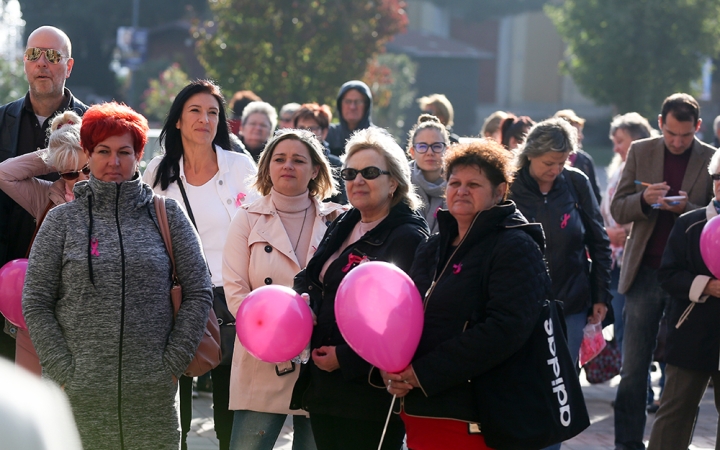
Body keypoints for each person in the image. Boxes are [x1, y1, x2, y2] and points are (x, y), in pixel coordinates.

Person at [22, 102, 213, 449]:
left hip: (152, 402)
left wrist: (170, 365)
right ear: (87, 153)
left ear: (139, 154)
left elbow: (199, 290)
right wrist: (66, 372)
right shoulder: (61, 222)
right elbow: (36, 302)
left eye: (124, 151)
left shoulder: (167, 215)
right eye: (103, 151)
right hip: (76, 401)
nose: (114, 162)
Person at [382, 139, 552, 450]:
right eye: (455, 182)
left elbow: (506, 329)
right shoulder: (433, 245)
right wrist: (391, 366)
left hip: (479, 413)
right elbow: (406, 313)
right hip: (424, 407)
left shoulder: (515, 245)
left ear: (499, 191)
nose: (461, 190)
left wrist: (423, 373)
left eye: (474, 184)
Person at [290, 127, 429, 450]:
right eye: (350, 173)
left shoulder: (409, 237)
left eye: (369, 173)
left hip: (367, 391)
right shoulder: (346, 221)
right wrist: (303, 304)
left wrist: (347, 358)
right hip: (326, 384)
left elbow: (404, 321)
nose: (357, 181)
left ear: (393, 181)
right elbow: (311, 275)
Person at [143, 80, 259, 450]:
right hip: (173, 296)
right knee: (177, 397)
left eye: (213, 112)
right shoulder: (159, 172)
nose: (204, 119)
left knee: (230, 397)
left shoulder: (240, 166)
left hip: (231, 296)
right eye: (195, 110)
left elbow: (260, 225)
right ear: (177, 119)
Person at [222, 129, 344, 450]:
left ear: (315, 169)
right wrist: (273, 336)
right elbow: (235, 291)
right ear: (267, 166)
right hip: (262, 357)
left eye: (298, 159)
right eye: (280, 158)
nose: (288, 165)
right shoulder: (246, 218)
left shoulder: (337, 220)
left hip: (318, 363)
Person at [610, 93, 716, 450]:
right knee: (634, 368)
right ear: (660, 123)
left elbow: (715, 213)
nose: (677, 141)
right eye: (671, 133)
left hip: (689, 280)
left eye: (685, 136)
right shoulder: (642, 151)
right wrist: (644, 200)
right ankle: (627, 443)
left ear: (697, 128)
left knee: (681, 372)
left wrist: (690, 208)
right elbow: (618, 207)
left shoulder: (709, 157)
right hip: (644, 272)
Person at [0, 25, 88, 361]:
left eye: (52, 56)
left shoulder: (94, 123)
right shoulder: (2, 119)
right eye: (33, 54)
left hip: (71, 282)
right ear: (24, 62)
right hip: (6, 270)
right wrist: (54, 154)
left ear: (68, 66)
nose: (42, 62)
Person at [509, 118, 612, 365]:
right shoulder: (509, 186)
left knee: (566, 379)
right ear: (530, 154)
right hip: (521, 302)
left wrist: (600, 295)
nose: (555, 170)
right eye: (548, 163)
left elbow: (599, 241)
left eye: (561, 162)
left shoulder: (576, 182)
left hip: (572, 302)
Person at [647, 151, 720, 449]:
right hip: (691, 330)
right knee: (676, 410)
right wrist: (706, 285)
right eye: (718, 178)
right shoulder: (689, 223)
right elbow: (667, 275)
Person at [603, 113, 656, 354]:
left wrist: (624, 230)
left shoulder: (647, 170)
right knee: (621, 326)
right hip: (614, 260)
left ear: (637, 140)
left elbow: (654, 212)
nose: (615, 147)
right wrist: (608, 232)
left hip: (635, 259)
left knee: (631, 326)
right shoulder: (619, 169)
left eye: (620, 141)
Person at [292, 103, 346, 204]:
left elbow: (344, 202)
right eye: (301, 128)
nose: (306, 133)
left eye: (312, 128)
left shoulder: (337, 165)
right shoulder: (286, 162)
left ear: (324, 132)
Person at [407, 114, 449, 233]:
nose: (429, 152)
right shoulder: (399, 184)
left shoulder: (458, 185)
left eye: (436, 146)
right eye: (422, 146)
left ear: (448, 150)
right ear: (412, 151)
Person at [553, 109, 602, 204]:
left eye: (580, 132)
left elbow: (595, 196)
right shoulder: (547, 159)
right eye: (576, 132)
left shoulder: (585, 161)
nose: (581, 136)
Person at [326, 80, 374, 157]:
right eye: (347, 101)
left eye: (358, 102)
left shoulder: (378, 138)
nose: (352, 107)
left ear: (366, 105)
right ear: (340, 104)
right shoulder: (327, 133)